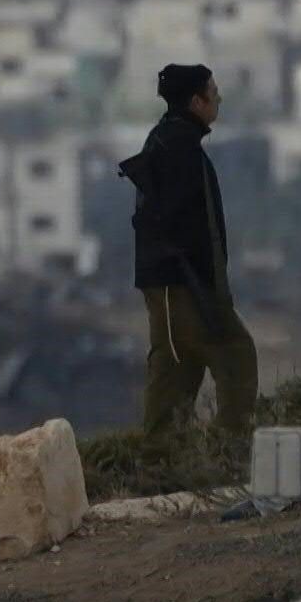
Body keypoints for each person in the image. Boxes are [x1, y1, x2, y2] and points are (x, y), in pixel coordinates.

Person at [121, 63, 258, 441]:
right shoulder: (174, 146)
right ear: (196, 101)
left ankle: (183, 456)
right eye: (213, 93)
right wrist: (191, 280)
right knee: (203, 359)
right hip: (175, 283)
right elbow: (163, 223)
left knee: (190, 364)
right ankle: (221, 449)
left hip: (188, 282)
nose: (218, 99)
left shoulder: (177, 141)